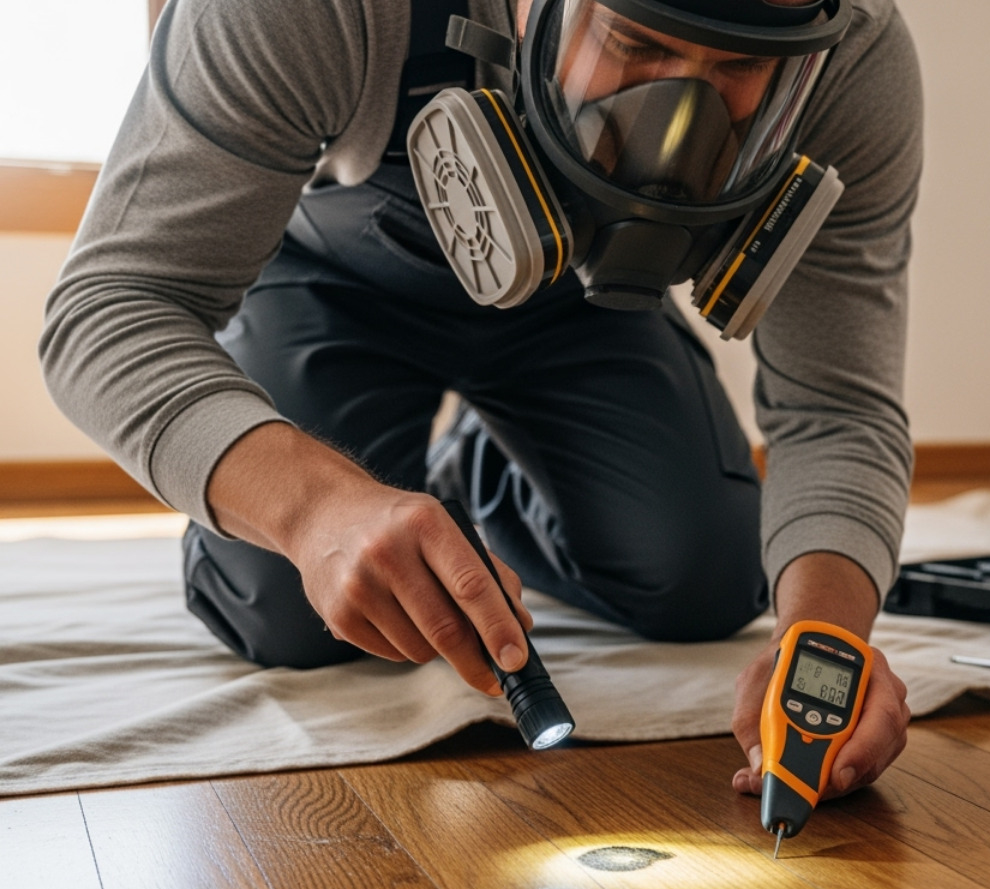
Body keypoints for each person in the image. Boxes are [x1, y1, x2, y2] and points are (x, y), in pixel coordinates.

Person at [40, 0, 921, 799]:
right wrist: (316, 510)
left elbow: (839, 406)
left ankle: (474, 479)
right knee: (302, 612)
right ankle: (359, 498)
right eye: (634, 42)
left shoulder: (851, 55)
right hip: (333, 281)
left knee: (705, 580)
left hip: (579, 304)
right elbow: (109, 308)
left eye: (736, 69)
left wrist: (827, 638)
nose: (677, 115)